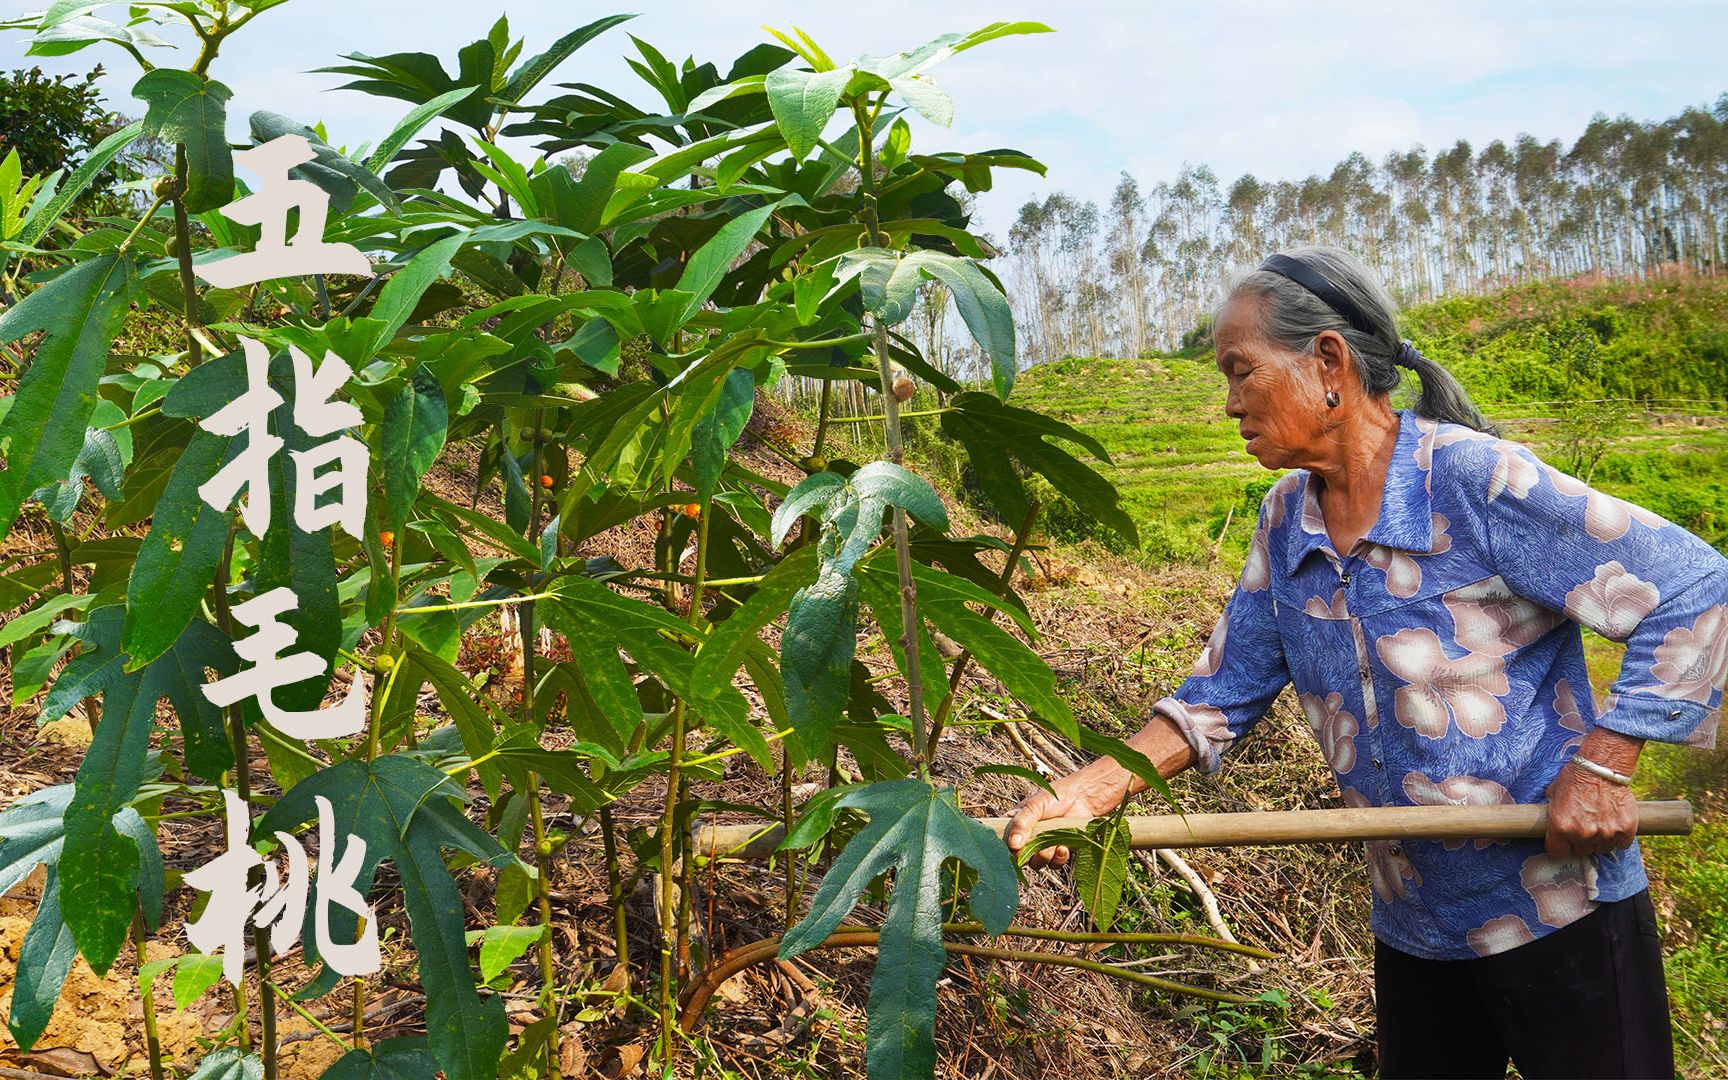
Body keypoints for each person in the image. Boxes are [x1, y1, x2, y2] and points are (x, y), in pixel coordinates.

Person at [1004, 245, 1728, 1080]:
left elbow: (1692, 584)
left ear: (1329, 362)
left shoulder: (1471, 479)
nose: (1229, 403)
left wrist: (1604, 765)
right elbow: (1221, 692)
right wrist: (1091, 789)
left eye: (1241, 371)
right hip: (1413, 928)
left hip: (1559, 910)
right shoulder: (1286, 521)